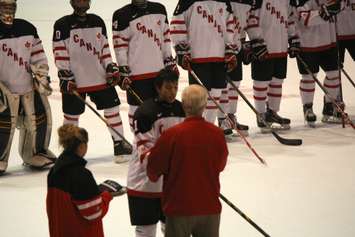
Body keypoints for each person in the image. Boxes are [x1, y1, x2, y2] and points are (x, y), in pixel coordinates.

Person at [52, 0, 132, 164]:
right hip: (75, 80)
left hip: (99, 77)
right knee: (71, 115)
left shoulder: (97, 21)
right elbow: (59, 51)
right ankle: (69, 151)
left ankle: (119, 144)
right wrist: (65, 75)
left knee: (112, 108)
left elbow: (104, 49)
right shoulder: (62, 24)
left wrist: (110, 66)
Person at [147, 85, 228, 237]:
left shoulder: (171, 135)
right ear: (204, 106)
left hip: (179, 208)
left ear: (183, 104)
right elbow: (220, 165)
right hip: (209, 205)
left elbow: (153, 171)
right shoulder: (217, 134)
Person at [126, 68, 185, 237]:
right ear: (158, 88)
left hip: (170, 184)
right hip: (144, 183)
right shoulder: (145, 113)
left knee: (172, 228)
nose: (172, 92)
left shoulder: (181, 110)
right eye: (168, 87)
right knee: (146, 231)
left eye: (175, 87)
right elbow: (146, 157)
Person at [0, 0, 56, 174]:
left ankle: (35, 152)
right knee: (3, 126)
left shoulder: (27, 28)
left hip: (27, 88)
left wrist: (41, 75)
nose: (9, 9)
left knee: (40, 119)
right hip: (4, 90)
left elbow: (38, 56)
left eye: (12, 5)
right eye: (4, 5)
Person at [170, 0, 239, 139]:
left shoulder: (224, 2)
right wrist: (181, 48)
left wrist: (230, 48)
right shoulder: (187, 2)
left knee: (216, 94)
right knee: (199, 98)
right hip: (198, 57)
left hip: (219, 56)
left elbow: (230, 25)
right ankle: (196, 130)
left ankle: (208, 128)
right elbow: (177, 23)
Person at [112, 0, 178, 132]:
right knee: (137, 109)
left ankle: (161, 138)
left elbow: (165, 38)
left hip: (160, 72)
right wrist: (123, 68)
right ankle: (139, 140)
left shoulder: (159, 9)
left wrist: (168, 58)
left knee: (162, 106)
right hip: (136, 73)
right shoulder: (122, 14)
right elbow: (120, 46)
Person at [47, 124, 122, 237]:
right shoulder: (82, 175)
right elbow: (93, 213)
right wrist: (106, 196)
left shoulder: (53, 172)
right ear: (82, 146)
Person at [245, 0, 300, 132]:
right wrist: (256, 39)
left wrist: (293, 38)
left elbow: (290, 17)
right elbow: (250, 17)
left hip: (280, 46)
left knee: (277, 81)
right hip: (264, 46)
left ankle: (272, 113)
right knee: (261, 82)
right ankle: (260, 114)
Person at [293, 0, 343, 126]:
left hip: (329, 39)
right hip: (307, 42)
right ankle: (307, 108)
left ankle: (329, 106)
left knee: (334, 74)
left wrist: (337, 6)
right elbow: (304, 19)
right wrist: (323, 12)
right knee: (309, 77)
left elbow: (340, 7)